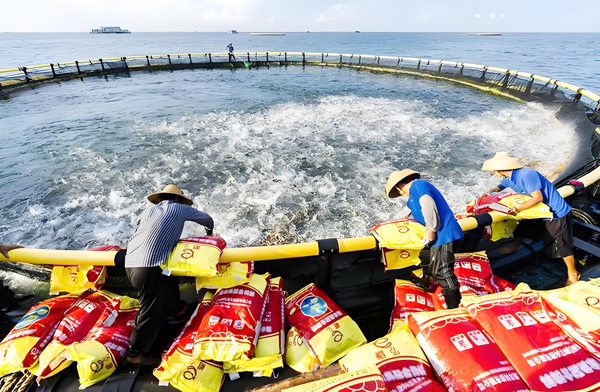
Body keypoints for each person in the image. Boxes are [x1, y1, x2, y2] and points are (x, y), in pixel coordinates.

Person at [124, 184, 214, 366]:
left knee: (168, 293)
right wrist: (210, 234)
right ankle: (135, 355)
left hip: (130, 263)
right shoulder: (179, 208)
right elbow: (208, 219)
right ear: (178, 199)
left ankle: (177, 316)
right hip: (149, 266)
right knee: (150, 312)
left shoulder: (146, 212)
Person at [481, 152, 578, 285]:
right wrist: (484, 198)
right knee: (521, 224)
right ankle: (516, 244)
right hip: (539, 211)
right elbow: (499, 188)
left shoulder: (526, 175)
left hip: (555, 212)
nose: (493, 172)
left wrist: (517, 209)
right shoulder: (509, 178)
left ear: (501, 169)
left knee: (561, 244)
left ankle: (572, 272)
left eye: (495, 170)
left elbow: (538, 198)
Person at [386, 169, 464, 308]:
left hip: (443, 233)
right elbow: (408, 214)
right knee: (425, 256)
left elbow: (428, 204)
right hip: (434, 235)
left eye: (398, 191)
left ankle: (454, 305)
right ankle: (427, 282)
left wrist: (431, 229)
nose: (400, 194)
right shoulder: (412, 199)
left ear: (400, 186)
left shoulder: (418, 185)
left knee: (443, 270)